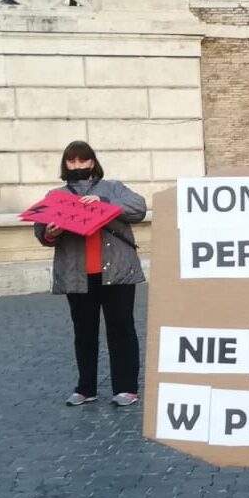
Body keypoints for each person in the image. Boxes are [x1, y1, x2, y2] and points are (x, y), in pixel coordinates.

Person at [34, 141, 146, 406]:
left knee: (121, 329)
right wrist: (51, 231)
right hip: (77, 274)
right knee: (83, 332)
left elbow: (139, 208)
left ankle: (126, 387)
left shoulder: (113, 188)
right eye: (71, 162)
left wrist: (103, 203)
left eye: (82, 161)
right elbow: (41, 232)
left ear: (92, 163)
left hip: (117, 271)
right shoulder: (55, 195)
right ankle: (86, 388)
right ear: (65, 165)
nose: (77, 166)